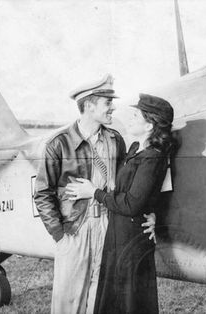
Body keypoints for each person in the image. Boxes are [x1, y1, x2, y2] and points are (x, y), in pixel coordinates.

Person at [34, 75, 155, 314]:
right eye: (107, 102)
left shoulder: (115, 140)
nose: (113, 107)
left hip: (109, 228)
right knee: (68, 303)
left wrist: (152, 213)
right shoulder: (58, 144)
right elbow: (42, 193)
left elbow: (129, 186)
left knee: (100, 301)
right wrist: (60, 235)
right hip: (75, 230)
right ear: (89, 105)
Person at [65, 93, 174, 314]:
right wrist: (154, 213)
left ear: (150, 126)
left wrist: (93, 192)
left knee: (130, 304)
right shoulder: (135, 149)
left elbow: (132, 204)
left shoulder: (153, 157)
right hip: (119, 235)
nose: (130, 119)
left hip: (132, 241)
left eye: (136, 116)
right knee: (115, 302)